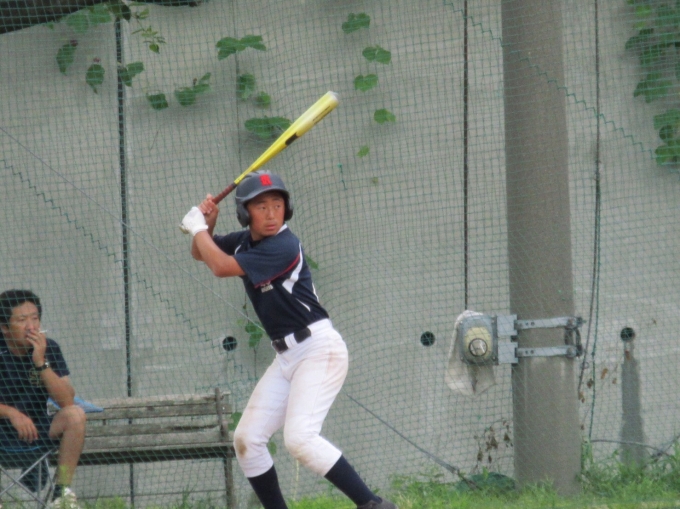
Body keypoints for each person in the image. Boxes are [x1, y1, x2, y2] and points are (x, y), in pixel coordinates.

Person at [181, 171, 397, 509]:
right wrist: (206, 223)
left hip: (318, 350)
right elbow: (201, 254)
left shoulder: (283, 244)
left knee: (300, 439)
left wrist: (197, 228)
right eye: (261, 206)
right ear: (245, 213)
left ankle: (375, 506)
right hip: (287, 356)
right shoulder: (244, 241)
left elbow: (221, 267)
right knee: (247, 439)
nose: (271, 214)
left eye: (277, 205)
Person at [0, 289, 86, 509]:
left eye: (35, 318)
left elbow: (67, 401)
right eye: (21, 320)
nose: (31, 327)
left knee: (75, 415)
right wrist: (11, 413)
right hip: (2, 431)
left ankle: (61, 493)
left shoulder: (50, 348)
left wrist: (41, 363)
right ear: (4, 327)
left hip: (38, 428)